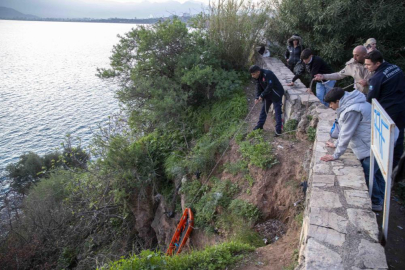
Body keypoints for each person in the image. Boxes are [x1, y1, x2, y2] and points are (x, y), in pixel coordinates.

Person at [320, 87, 385, 211]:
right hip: (376, 142)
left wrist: (336, 155)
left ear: (338, 101)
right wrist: (336, 144)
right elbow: (345, 129)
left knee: (369, 174)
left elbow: (346, 132)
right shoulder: (355, 103)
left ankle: (377, 202)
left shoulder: (352, 110)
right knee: (377, 174)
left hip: (370, 145)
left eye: (331, 103)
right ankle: (381, 198)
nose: (330, 107)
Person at [365, 50, 405, 170]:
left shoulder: (376, 78)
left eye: (368, 65)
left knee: (387, 141)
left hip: (388, 112)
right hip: (401, 107)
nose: (366, 67)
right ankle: (397, 169)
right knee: (399, 138)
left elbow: (370, 99)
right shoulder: (395, 68)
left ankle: (387, 170)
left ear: (377, 64)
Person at [249, 65, 285, 136]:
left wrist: (262, 95)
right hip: (268, 95)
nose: (252, 76)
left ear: (258, 72)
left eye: (253, 74)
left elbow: (270, 86)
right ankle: (260, 125)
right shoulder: (258, 77)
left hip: (276, 94)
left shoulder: (268, 74)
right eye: (251, 74)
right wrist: (257, 97)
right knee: (264, 110)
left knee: (277, 112)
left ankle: (278, 130)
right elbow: (258, 87)